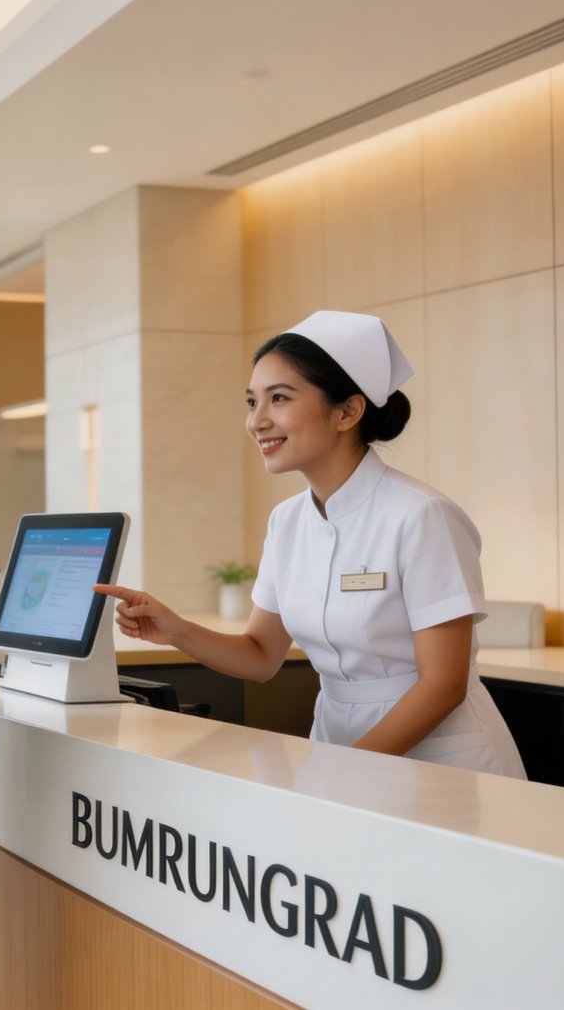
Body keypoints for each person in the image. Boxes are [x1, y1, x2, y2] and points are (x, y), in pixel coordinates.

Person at [97, 310, 525, 778]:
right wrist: (175, 628)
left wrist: (344, 770)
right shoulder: (287, 522)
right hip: (338, 747)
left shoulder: (421, 514)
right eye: (251, 402)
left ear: (348, 411)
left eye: (278, 398)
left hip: (440, 761)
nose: (257, 422)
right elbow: (261, 656)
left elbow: (444, 685)